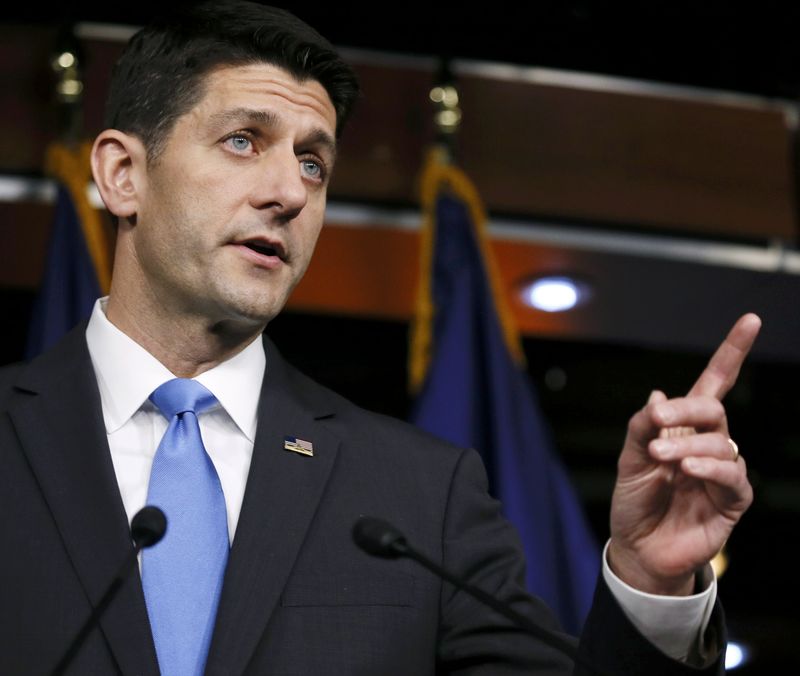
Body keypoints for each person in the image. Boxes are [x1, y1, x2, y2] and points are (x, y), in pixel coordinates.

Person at [0, 2, 760, 674]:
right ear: (122, 174)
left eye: (313, 162)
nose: (289, 192)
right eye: (242, 141)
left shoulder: (417, 498)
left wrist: (649, 583)